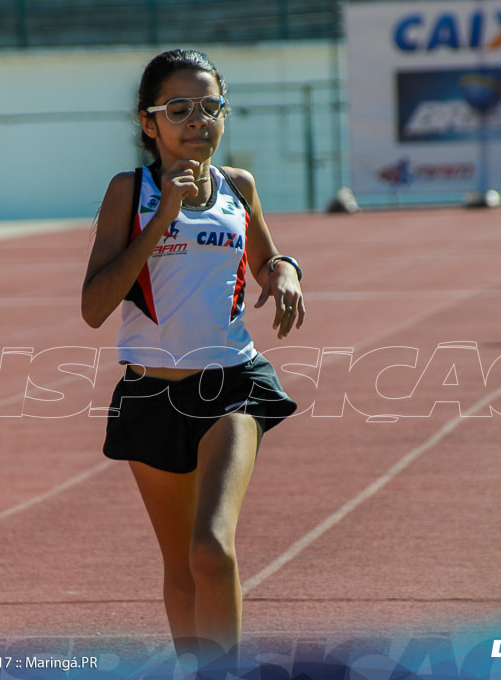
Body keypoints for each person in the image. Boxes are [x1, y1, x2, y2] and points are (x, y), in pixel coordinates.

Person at [80, 49, 305, 671]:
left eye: (210, 107)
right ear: (149, 122)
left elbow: (266, 258)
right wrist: (163, 219)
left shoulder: (239, 186)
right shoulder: (129, 192)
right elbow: (94, 306)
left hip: (232, 384)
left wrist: (285, 273)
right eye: (179, 109)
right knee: (179, 565)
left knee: (211, 549)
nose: (197, 120)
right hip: (151, 394)